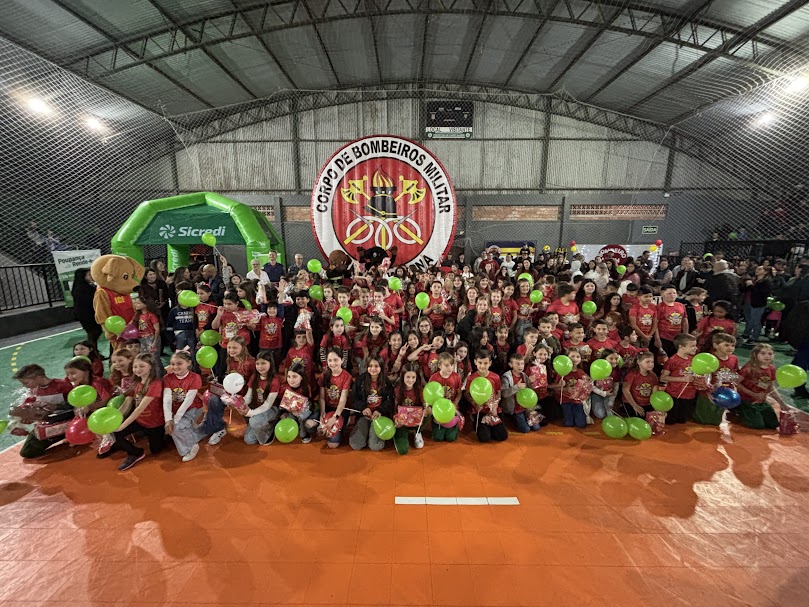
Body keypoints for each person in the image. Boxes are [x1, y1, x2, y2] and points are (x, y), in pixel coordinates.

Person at [106, 353, 166, 471]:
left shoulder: (155, 384)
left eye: (142, 366)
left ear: (150, 367)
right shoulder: (136, 383)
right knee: (115, 433)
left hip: (154, 424)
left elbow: (139, 409)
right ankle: (135, 453)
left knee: (156, 450)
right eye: (135, 366)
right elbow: (127, 402)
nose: (137, 369)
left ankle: (167, 436)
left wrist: (123, 425)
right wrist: (114, 420)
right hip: (140, 421)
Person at [11, 365, 73, 459]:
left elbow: (76, 404)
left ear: (39, 378)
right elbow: (26, 407)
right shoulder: (34, 391)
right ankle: (60, 434)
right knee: (27, 452)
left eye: (26, 383)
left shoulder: (62, 385)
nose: (25, 386)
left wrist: (57, 406)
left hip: (66, 419)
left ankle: (66, 433)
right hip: (48, 423)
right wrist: (23, 420)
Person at [162, 351, 204, 462]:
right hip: (176, 409)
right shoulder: (167, 378)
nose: (175, 367)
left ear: (188, 363)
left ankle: (191, 446)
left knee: (175, 427)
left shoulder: (195, 377)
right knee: (172, 428)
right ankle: (192, 433)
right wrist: (168, 420)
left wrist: (174, 420)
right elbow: (167, 399)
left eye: (179, 363)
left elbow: (188, 401)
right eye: (173, 364)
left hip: (193, 408)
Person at [349, 356, 394, 451]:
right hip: (364, 415)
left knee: (375, 446)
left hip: (379, 416)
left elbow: (389, 400)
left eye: (376, 366)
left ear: (381, 367)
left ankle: (371, 431)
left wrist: (380, 410)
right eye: (370, 366)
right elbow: (354, 398)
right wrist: (363, 408)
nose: (373, 369)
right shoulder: (360, 380)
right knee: (355, 445)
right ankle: (365, 429)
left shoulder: (386, 382)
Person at [737, 344, 785, 429]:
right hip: (746, 400)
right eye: (763, 353)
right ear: (755, 355)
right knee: (758, 425)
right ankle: (738, 411)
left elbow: (770, 387)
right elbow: (736, 383)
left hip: (761, 401)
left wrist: (782, 403)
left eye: (770, 354)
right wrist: (753, 394)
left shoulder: (772, 369)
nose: (767, 356)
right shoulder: (748, 369)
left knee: (773, 424)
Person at [466, 350, 507, 442]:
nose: (483, 366)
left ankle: (490, 426)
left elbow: (498, 393)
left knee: (502, 437)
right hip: (479, 411)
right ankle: (480, 425)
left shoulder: (495, 377)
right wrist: (474, 404)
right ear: (475, 362)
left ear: (490, 363)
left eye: (485, 363)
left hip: (492, 410)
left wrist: (495, 406)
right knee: (485, 438)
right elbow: (466, 394)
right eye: (480, 363)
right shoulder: (471, 378)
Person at [660, 333, 698, 424]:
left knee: (682, 420)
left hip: (689, 395)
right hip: (674, 395)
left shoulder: (694, 360)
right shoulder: (672, 360)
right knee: (671, 421)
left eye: (695, 345)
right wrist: (682, 379)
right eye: (692, 346)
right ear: (681, 347)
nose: (695, 348)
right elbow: (663, 378)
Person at [71, 268, 102, 351]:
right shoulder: (83, 289)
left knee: (94, 333)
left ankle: (94, 351)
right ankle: (93, 352)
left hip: (87, 314)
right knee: (93, 333)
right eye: (88, 275)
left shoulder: (83, 287)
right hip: (87, 315)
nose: (91, 276)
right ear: (83, 276)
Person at [740, 266, 772, 345]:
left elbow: (762, 293)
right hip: (748, 301)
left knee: (756, 321)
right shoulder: (754, 280)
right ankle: (746, 333)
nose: (757, 270)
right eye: (757, 269)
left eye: (760, 269)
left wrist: (751, 286)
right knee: (749, 319)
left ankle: (754, 337)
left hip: (758, 303)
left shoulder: (766, 282)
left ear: (765, 272)